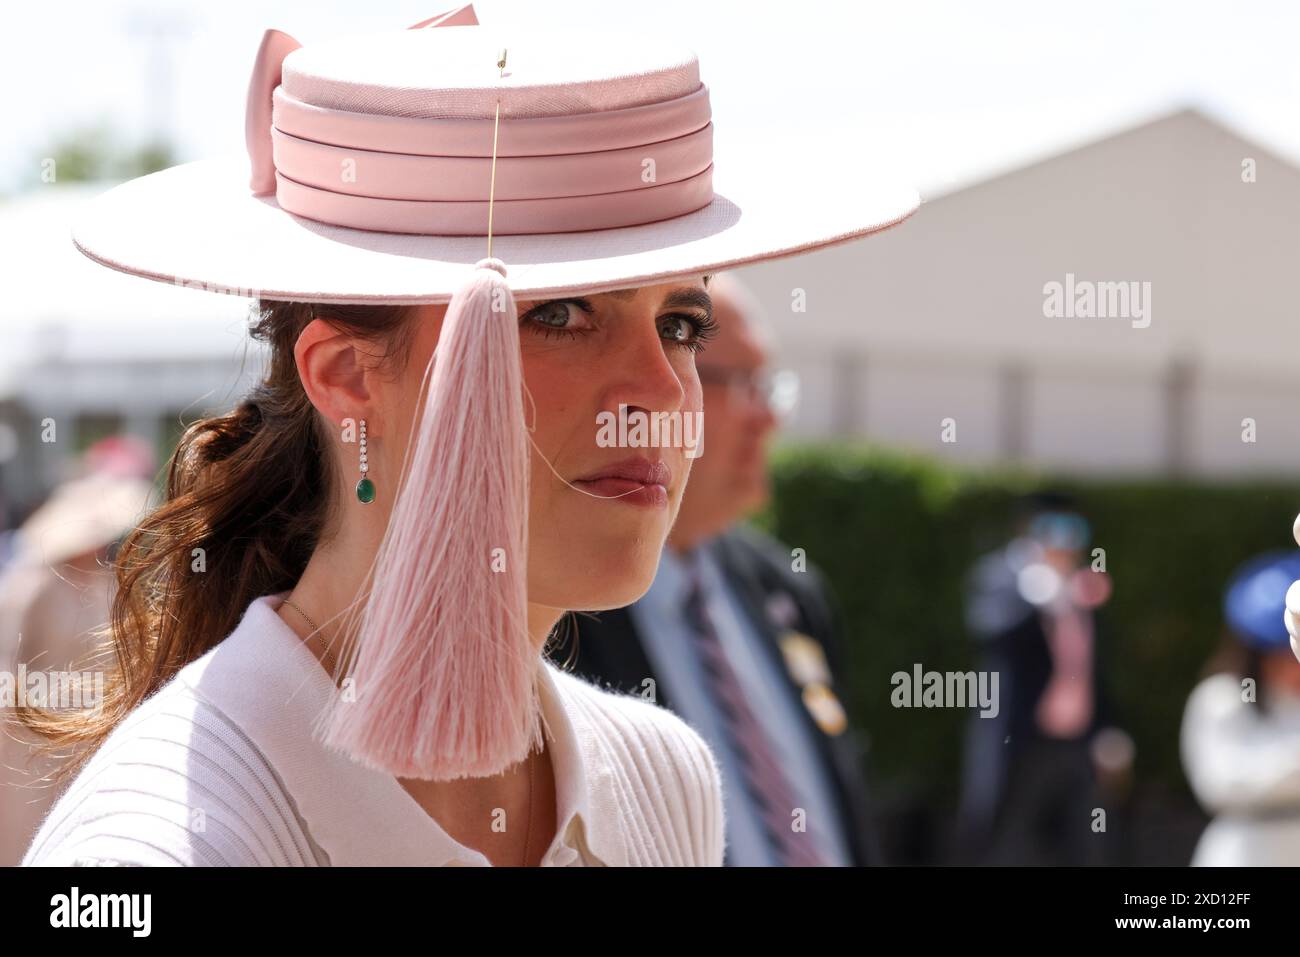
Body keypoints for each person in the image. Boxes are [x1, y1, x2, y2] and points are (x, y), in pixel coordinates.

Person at [16, 6, 918, 867]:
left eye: (682, 323)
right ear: (345, 375)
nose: (658, 389)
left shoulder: (661, 777)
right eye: (559, 313)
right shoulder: (159, 845)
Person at [546, 273, 881, 866]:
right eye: (737, 382)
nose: (766, 418)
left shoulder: (788, 591)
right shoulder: (552, 603)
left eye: (768, 385)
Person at [956, 492, 1132, 865]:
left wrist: (1109, 730)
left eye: (1073, 531)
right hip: (1020, 744)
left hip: (1078, 746)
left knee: (1089, 849)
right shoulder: (1001, 577)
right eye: (1052, 530)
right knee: (1012, 849)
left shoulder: (1084, 588)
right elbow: (991, 635)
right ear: (1027, 532)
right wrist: (1041, 596)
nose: (1063, 542)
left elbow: (1090, 670)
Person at [0, 444, 155, 865]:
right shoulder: (33, 584)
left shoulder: (112, 586)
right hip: (34, 731)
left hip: (94, 725)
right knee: (29, 827)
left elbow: (127, 652)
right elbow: (7, 658)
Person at [1182, 550, 1300, 866]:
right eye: (1281, 654)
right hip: (1248, 850)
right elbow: (1221, 783)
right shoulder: (1221, 698)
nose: (1293, 664)